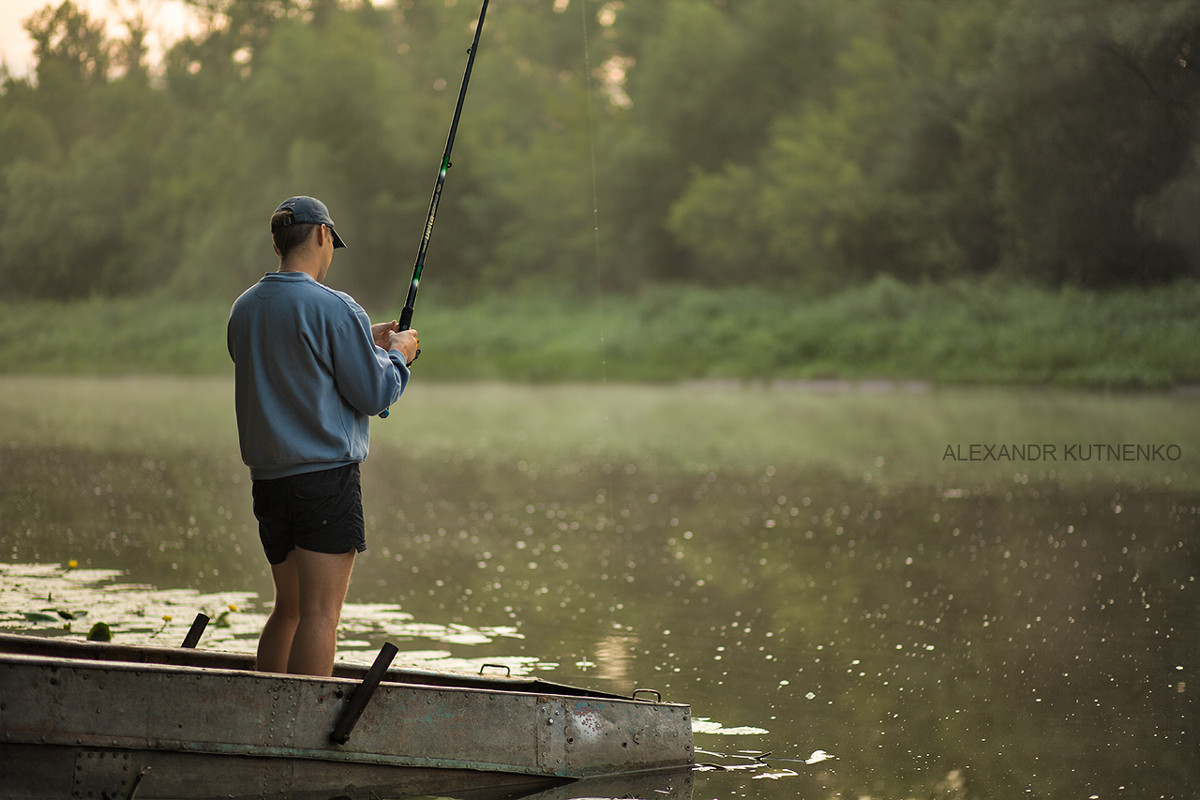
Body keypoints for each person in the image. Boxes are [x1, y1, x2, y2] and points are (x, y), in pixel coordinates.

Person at [227, 195, 419, 676]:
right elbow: (375, 394)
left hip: (269, 482)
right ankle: (299, 734)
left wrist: (362, 338)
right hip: (324, 482)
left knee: (287, 609)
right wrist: (398, 355)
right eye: (332, 240)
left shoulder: (245, 308)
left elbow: (293, 360)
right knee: (319, 615)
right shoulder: (337, 307)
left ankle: (264, 716)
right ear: (321, 235)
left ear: (279, 243)